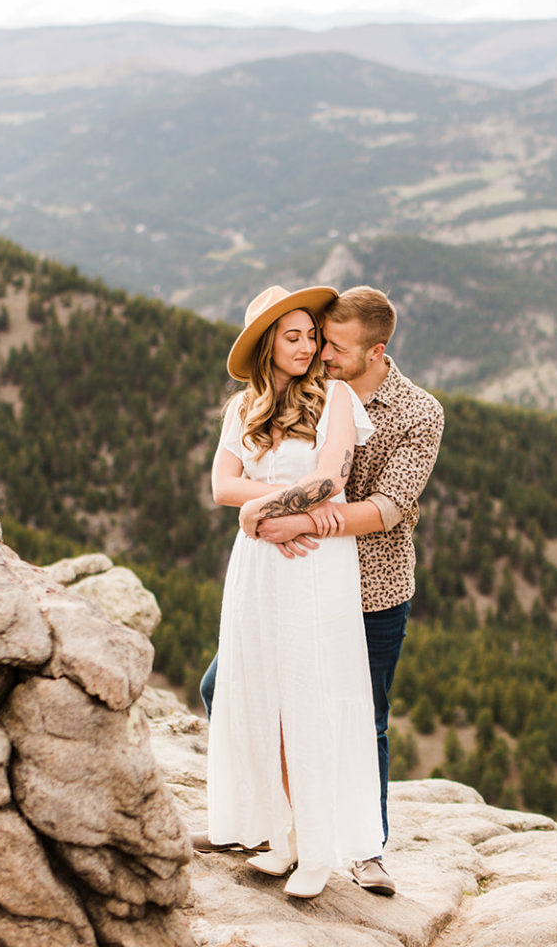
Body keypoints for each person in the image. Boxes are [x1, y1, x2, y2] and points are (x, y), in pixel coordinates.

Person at [198, 285, 445, 897]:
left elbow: (386, 507)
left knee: (364, 715)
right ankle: (271, 820)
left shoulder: (416, 412)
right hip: (283, 570)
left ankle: (365, 850)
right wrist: (266, 514)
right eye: (309, 338)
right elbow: (227, 483)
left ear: (374, 351)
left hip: (371, 580)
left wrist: (280, 519)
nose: (319, 352)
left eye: (330, 344)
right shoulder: (263, 401)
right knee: (234, 688)